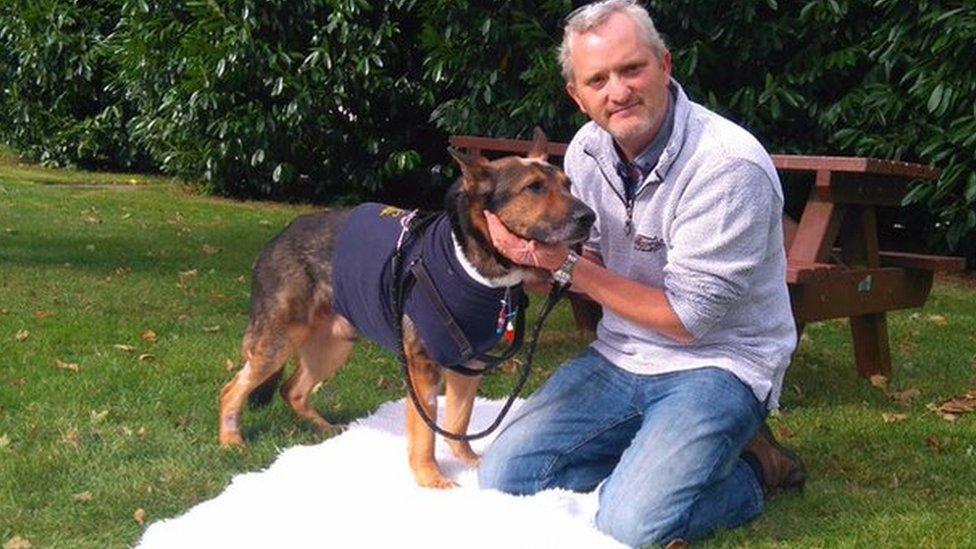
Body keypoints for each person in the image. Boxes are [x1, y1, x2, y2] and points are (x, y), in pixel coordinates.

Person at [477, 1, 805, 546]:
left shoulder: (728, 166)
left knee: (631, 527)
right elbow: (596, 259)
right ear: (577, 97)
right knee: (505, 477)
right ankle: (654, 466)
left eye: (632, 69)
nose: (618, 91)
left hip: (717, 364)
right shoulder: (585, 151)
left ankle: (755, 470)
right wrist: (526, 259)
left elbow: (685, 322)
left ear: (665, 65)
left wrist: (567, 268)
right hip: (621, 354)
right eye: (598, 79)